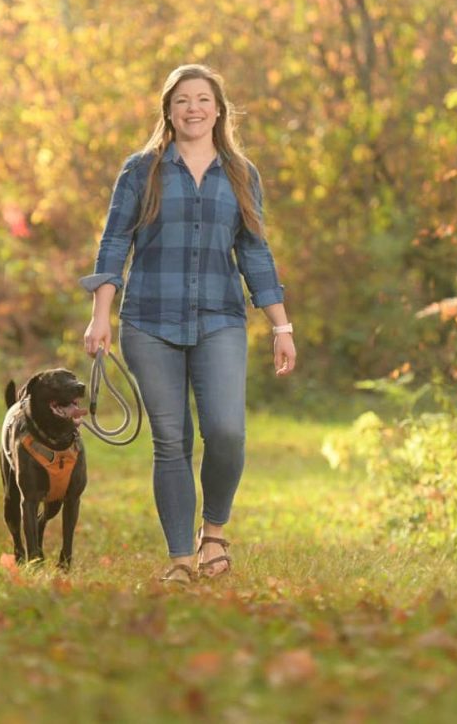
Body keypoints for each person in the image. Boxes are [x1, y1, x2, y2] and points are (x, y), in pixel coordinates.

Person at [81, 63, 296, 586]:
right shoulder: (141, 170)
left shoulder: (242, 173)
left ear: (218, 109)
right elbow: (114, 243)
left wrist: (280, 324)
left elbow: (254, 250)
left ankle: (214, 533)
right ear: (168, 111)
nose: (192, 109)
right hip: (149, 320)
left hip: (220, 317)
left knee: (226, 432)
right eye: (182, 101)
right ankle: (180, 558)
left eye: (202, 99)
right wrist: (100, 315)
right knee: (170, 439)